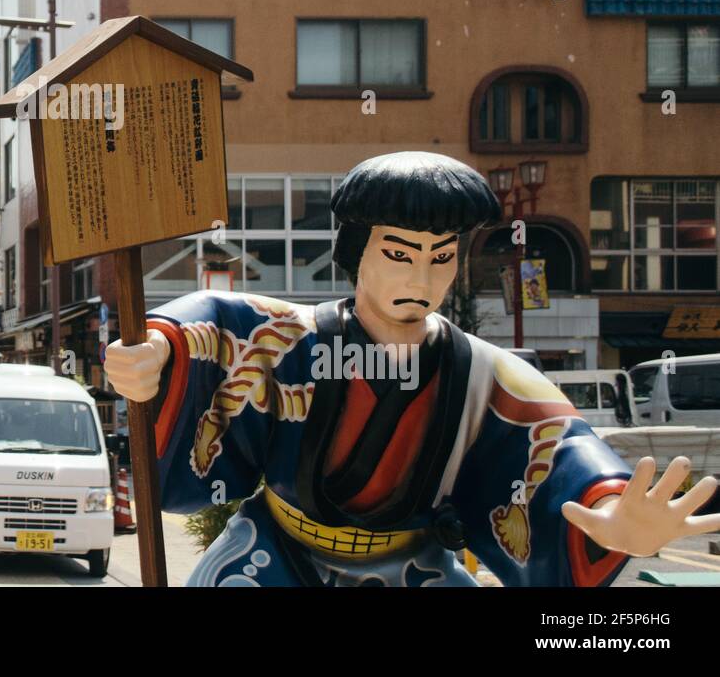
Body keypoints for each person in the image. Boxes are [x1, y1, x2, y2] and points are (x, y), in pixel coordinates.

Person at [106, 151, 720, 587]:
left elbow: (558, 445)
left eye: (440, 257)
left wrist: (608, 514)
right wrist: (157, 350)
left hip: (415, 566)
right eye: (399, 254)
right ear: (357, 252)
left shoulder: (482, 371)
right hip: (273, 556)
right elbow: (212, 323)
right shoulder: (291, 335)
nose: (419, 277)